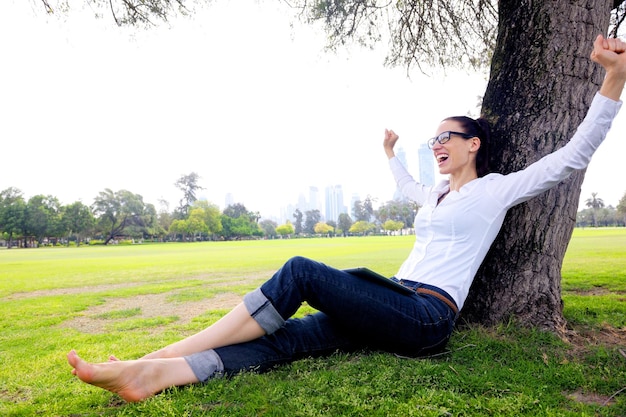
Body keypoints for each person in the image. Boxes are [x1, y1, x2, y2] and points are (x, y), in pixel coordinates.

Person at [67, 35, 626, 402]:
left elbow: (572, 156)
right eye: (433, 139)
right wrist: (390, 154)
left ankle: (161, 354)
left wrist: (612, 82)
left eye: (445, 137)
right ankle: (150, 377)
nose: (437, 145)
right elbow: (409, 186)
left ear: (473, 143)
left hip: (426, 316)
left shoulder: (497, 191)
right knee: (290, 340)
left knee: (301, 271)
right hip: (390, 297)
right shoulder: (434, 196)